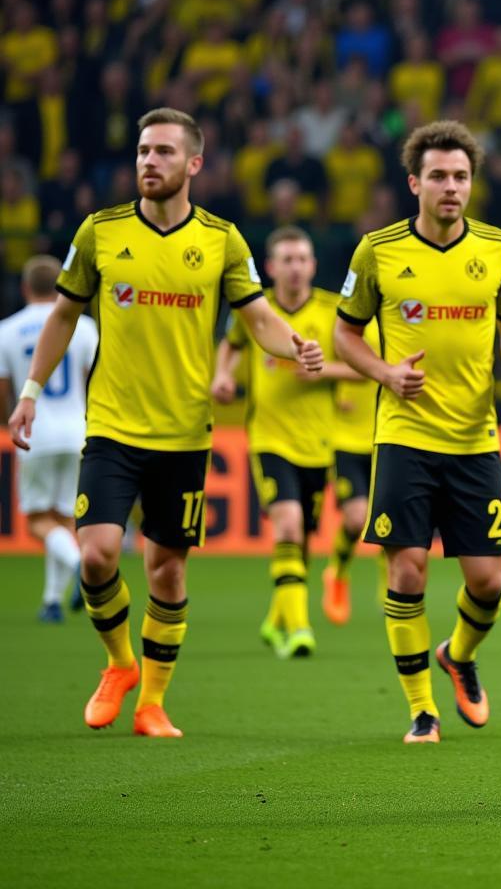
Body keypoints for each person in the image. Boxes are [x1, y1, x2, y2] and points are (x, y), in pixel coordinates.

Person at [7, 108, 324, 738]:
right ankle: (120, 664)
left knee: (167, 571)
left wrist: (296, 345)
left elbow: (256, 317)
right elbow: (63, 317)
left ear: (194, 164)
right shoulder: (99, 232)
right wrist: (30, 391)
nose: (149, 162)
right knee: (97, 557)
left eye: (163, 153)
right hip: (114, 427)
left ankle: (152, 702)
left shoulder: (222, 240)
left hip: (184, 432)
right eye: (143, 152)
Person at [335, 119, 501, 745]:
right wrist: (386, 373)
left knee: (488, 581)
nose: (451, 187)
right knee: (408, 571)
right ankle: (422, 711)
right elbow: (345, 334)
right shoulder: (378, 251)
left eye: (461, 177)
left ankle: (459, 655)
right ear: (414, 182)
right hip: (404, 437)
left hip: (475, 440)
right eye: (439, 176)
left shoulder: (499, 249)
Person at [211, 225, 349, 659]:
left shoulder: (332, 311)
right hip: (269, 438)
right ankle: (299, 626)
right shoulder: (256, 310)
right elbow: (231, 346)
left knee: (302, 539)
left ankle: (275, 618)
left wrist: (321, 371)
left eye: (302, 259)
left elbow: (364, 366)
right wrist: (222, 375)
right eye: (286, 260)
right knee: (287, 526)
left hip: (318, 442)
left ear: (312, 265)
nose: (294, 268)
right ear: (270, 267)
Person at [0, 255, 97, 622]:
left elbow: (4, 389)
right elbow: (94, 380)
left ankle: (78, 565)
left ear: (25, 288)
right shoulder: (85, 328)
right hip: (79, 431)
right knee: (65, 520)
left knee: (38, 520)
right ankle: (52, 601)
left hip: (35, 431)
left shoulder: (7, 329)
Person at [321, 315, 385, 626]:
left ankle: (390, 589)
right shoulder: (344, 320)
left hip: (388, 435)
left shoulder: (401, 316)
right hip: (346, 437)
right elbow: (322, 363)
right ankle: (338, 571)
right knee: (357, 518)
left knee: (392, 518)